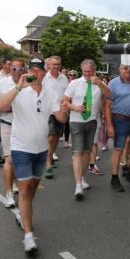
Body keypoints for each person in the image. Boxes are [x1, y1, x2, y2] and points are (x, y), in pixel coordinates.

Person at [0, 57, 68, 253]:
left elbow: (60, 117)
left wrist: (65, 109)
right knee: (25, 189)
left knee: (32, 189)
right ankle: (28, 236)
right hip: (20, 147)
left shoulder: (50, 93)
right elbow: (1, 106)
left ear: (44, 73)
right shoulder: (20, 91)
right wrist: (19, 86)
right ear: (27, 72)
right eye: (32, 70)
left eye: (39, 70)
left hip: (40, 149)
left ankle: (21, 213)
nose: (36, 74)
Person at [63, 59, 110, 200]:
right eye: (85, 72)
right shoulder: (74, 83)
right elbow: (64, 102)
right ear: (81, 70)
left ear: (94, 70)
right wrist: (74, 107)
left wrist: (100, 84)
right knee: (77, 153)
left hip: (92, 122)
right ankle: (77, 185)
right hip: (76, 121)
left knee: (86, 153)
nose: (87, 74)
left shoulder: (98, 83)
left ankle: (82, 177)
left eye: (90, 72)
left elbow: (109, 94)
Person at [0, 59, 24, 208]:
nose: (16, 71)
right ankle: (9, 193)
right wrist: (3, 108)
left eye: (20, 69)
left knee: (20, 159)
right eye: (13, 68)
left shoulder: (30, 82)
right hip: (7, 124)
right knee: (9, 159)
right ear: (9, 69)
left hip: (25, 127)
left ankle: (18, 184)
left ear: (24, 70)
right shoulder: (2, 83)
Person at [106, 64, 130, 192]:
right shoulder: (113, 83)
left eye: (129, 68)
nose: (128, 70)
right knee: (118, 149)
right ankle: (114, 178)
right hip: (119, 121)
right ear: (119, 70)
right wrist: (109, 124)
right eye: (125, 68)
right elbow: (107, 105)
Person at [42, 56, 69, 179]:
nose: (56, 66)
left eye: (58, 64)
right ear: (48, 65)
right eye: (53, 64)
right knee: (51, 135)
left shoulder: (64, 78)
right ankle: (48, 163)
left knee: (57, 136)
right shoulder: (44, 78)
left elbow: (67, 95)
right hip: (48, 112)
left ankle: (50, 155)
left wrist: (66, 107)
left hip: (61, 112)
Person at [63, 70, 78, 148]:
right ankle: (66, 141)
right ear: (68, 76)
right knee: (66, 125)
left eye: (74, 75)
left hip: (75, 107)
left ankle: (72, 141)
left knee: (73, 125)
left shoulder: (78, 84)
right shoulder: (66, 84)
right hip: (67, 106)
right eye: (70, 75)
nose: (72, 76)